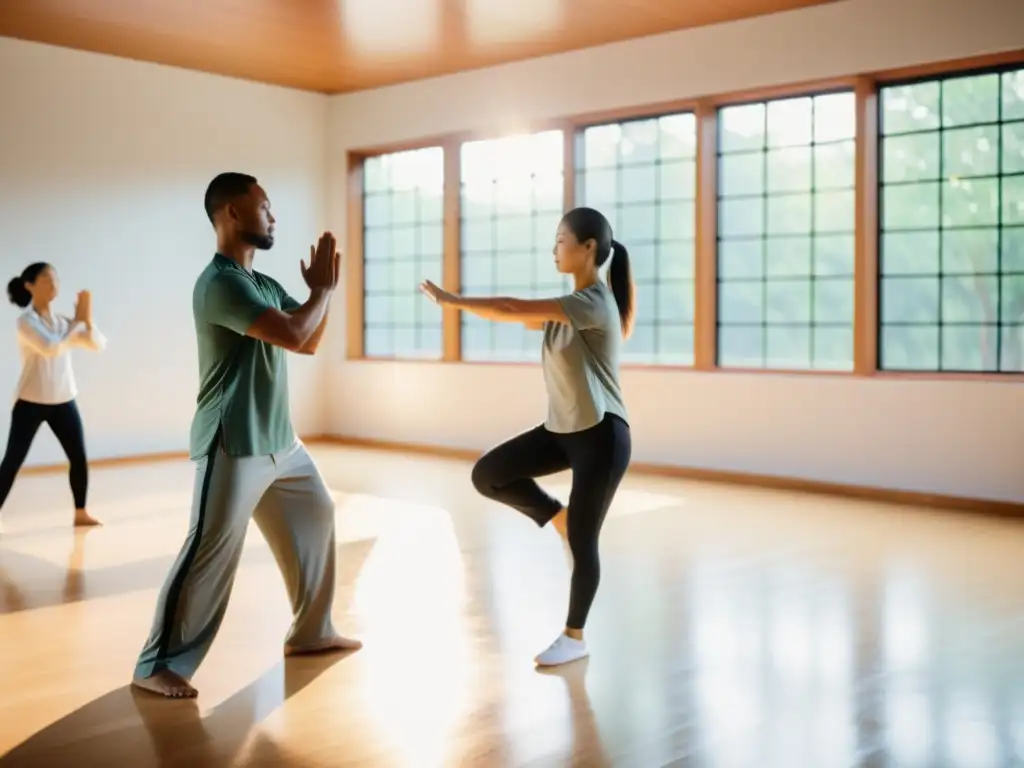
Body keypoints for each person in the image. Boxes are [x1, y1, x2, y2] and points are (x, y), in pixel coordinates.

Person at [132, 172, 360, 699]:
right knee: (208, 551)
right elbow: (295, 329)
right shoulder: (220, 283)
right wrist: (321, 292)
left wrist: (316, 298)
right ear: (232, 212)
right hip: (233, 441)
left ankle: (312, 632)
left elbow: (305, 342)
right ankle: (155, 664)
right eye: (264, 206)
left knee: (318, 513)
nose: (273, 216)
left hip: (281, 439)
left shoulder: (261, 282)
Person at [420, 206, 634, 667]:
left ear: (588, 247)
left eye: (561, 240)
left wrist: (453, 300)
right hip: (562, 430)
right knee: (489, 474)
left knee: (584, 541)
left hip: (602, 434)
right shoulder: (567, 309)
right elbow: (513, 314)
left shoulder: (593, 302)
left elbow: (512, 307)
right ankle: (556, 517)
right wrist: (469, 307)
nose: (554, 249)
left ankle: (574, 636)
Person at [0, 263, 105, 531]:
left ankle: (80, 512)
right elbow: (50, 347)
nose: (53, 284)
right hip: (31, 402)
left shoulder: (61, 322)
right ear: (29, 286)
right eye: (46, 280)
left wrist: (87, 321)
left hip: (63, 400)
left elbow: (97, 344)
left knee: (78, 457)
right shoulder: (25, 321)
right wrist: (77, 323)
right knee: (12, 462)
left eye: (55, 279)